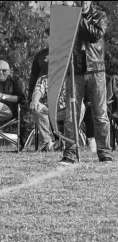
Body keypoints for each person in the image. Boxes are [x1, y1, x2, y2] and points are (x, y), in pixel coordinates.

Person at [59, 0, 113, 163]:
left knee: (100, 113)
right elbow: (60, 37)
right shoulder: (67, 16)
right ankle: (70, 152)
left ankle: (104, 152)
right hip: (74, 70)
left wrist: (78, 19)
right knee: (71, 114)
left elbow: (95, 35)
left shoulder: (99, 15)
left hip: (96, 70)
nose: (82, 2)